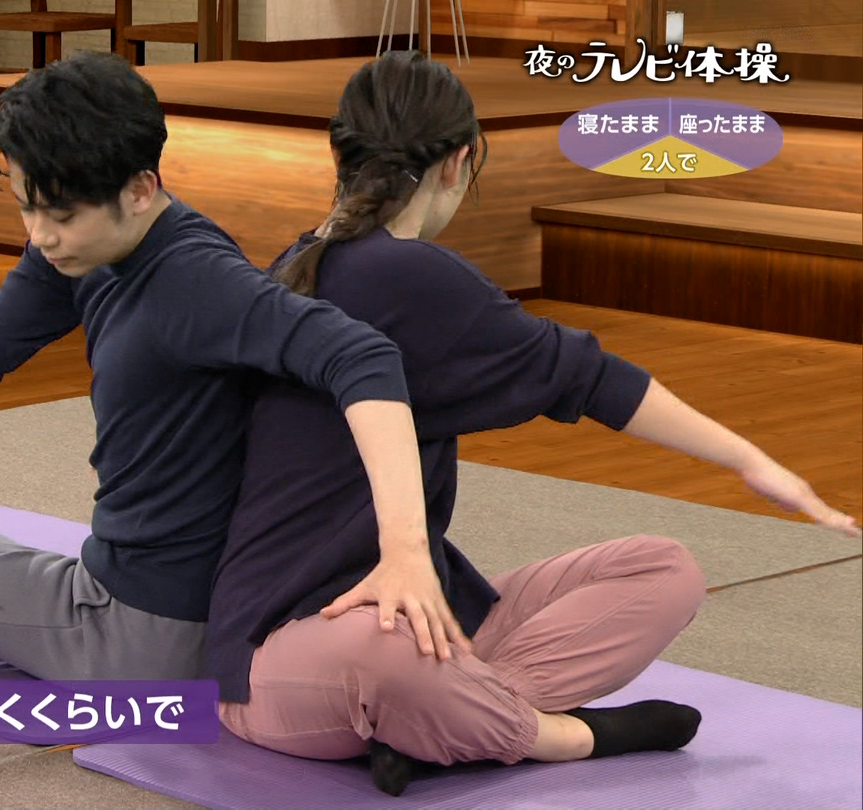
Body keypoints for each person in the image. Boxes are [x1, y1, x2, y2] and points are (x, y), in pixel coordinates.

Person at [204, 51, 861, 796]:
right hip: (283, 660)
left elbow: (582, 374)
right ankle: (560, 735)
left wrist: (748, 460)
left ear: (341, 155)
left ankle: (449, 725)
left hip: (426, 616)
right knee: (384, 653)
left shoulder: (302, 259)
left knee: (660, 568)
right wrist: (752, 460)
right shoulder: (398, 273)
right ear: (459, 162)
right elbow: (592, 378)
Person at [0, 51, 465, 682]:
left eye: (61, 215)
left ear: (140, 189)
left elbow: (364, 356)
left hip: (144, 635)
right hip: (141, 594)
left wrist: (404, 552)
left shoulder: (199, 279)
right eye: (27, 209)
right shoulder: (81, 251)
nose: (41, 235)